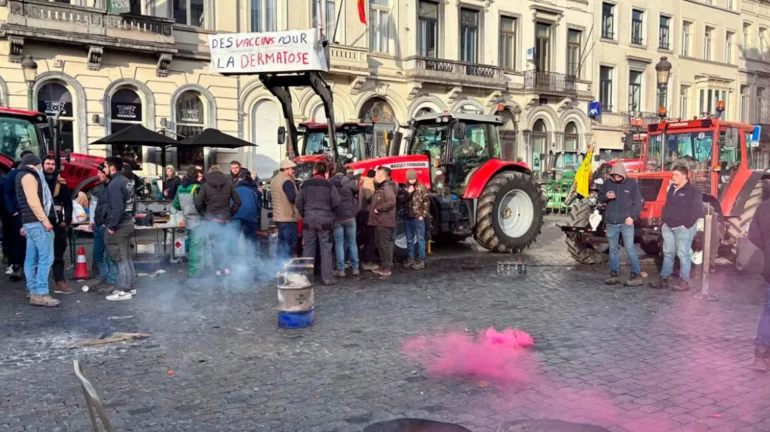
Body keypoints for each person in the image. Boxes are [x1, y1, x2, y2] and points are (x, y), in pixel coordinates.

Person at [650, 165, 703, 291]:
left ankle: (684, 282)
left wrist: (687, 225)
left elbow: (697, 210)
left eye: (676, 175)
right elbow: (667, 206)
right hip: (668, 226)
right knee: (668, 253)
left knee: (683, 254)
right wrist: (664, 222)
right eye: (672, 175)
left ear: (685, 176)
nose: (673, 177)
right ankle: (664, 279)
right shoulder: (672, 189)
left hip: (683, 227)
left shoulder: (694, 191)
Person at [15, 153, 58, 307]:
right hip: (37, 223)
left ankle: (32, 290)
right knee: (46, 259)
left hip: (28, 222)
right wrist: (45, 221)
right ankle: (41, 293)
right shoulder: (29, 177)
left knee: (31, 259)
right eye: (40, 164)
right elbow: (33, 202)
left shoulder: (20, 175)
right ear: (35, 164)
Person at [598, 163, 644, 286]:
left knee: (630, 248)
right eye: (614, 176)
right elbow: (600, 197)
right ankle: (614, 274)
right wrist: (606, 196)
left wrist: (632, 217)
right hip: (611, 223)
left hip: (626, 222)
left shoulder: (632, 183)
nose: (617, 178)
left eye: (619, 176)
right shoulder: (607, 183)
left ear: (623, 175)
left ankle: (636, 275)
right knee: (613, 249)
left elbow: (638, 202)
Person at [296, 162, 340, 285]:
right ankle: (327, 278)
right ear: (325, 172)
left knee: (308, 248)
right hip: (325, 219)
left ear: (314, 171)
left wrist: (305, 213)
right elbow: (336, 202)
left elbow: (298, 202)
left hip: (309, 219)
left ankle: (306, 278)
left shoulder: (305, 184)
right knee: (326, 248)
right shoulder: (329, 184)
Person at [195, 165, 242, 277]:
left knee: (215, 245)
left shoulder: (205, 186)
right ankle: (226, 267)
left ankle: (217, 269)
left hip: (212, 220)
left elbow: (197, 203)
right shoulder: (229, 184)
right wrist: (230, 213)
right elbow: (238, 202)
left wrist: (204, 214)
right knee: (226, 245)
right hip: (225, 219)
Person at [103, 157, 137, 301]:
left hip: (120, 225)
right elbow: (133, 202)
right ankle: (131, 286)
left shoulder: (114, 184)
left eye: (105, 166)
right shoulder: (127, 181)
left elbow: (117, 207)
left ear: (112, 168)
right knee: (126, 257)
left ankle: (123, 290)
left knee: (119, 258)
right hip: (128, 222)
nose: (103, 169)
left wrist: (111, 226)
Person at [42, 156, 75, 295]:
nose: (50, 166)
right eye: (47, 163)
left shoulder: (61, 182)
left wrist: (66, 220)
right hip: (40, 222)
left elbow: (68, 202)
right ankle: (38, 287)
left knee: (58, 254)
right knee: (39, 255)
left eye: (52, 164)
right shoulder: (37, 180)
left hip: (57, 224)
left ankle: (59, 282)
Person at [748, 181, 770, 371]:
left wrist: (767, 249)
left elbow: (752, 235)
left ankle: (761, 354)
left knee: (768, 311)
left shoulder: (763, 208)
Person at [4, 150, 34, 280]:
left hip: (31, 212)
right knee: (19, 240)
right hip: (19, 212)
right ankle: (17, 266)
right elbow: (7, 193)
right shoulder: (14, 174)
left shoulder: (35, 174)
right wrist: (13, 211)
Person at [89, 164, 117, 293]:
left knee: (110, 255)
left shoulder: (113, 187)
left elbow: (116, 208)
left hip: (107, 226)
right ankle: (105, 277)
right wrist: (93, 221)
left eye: (101, 172)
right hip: (99, 225)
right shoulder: (99, 189)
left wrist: (110, 223)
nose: (98, 175)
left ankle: (112, 281)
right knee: (97, 255)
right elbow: (97, 206)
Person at [173, 166, 203, 278]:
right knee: (196, 247)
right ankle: (194, 272)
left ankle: (194, 270)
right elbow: (201, 204)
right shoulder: (197, 187)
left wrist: (185, 208)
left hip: (187, 220)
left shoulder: (180, 187)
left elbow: (176, 204)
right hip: (198, 220)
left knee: (192, 245)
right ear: (196, 175)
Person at [330, 165, 359, 277]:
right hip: (350, 216)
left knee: (339, 243)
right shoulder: (349, 181)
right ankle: (355, 268)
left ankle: (341, 269)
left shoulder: (330, 183)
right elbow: (357, 190)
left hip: (337, 217)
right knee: (352, 241)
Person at [368, 167, 397, 277]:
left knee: (384, 244)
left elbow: (391, 201)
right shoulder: (382, 187)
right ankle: (384, 265)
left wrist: (379, 208)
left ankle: (387, 267)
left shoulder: (387, 187)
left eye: (376, 174)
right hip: (379, 221)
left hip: (384, 221)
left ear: (380, 175)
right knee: (379, 243)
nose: (375, 176)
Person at [400, 169, 430, 270]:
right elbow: (402, 200)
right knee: (409, 239)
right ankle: (411, 258)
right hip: (408, 216)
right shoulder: (405, 188)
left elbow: (426, 202)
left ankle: (421, 259)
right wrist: (408, 193)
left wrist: (423, 215)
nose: (412, 181)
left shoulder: (421, 187)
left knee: (420, 239)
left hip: (418, 217)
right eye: (410, 179)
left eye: (413, 179)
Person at [270, 159, 299, 259]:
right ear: (286, 169)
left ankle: (279, 268)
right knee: (289, 245)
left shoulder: (274, 180)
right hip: (288, 217)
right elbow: (293, 198)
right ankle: (288, 268)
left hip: (279, 217)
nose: (293, 171)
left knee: (281, 245)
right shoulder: (286, 181)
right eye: (292, 169)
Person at [232, 169, 262, 252]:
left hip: (236, 216)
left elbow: (231, 203)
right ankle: (253, 261)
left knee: (233, 239)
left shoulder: (235, 189)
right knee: (251, 240)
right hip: (250, 217)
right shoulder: (255, 191)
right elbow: (259, 206)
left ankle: (230, 261)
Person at [358, 169, 377, 270]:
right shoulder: (369, 183)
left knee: (363, 237)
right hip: (367, 214)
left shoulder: (364, 183)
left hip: (362, 214)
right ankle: (366, 261)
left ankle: (359, 257)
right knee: (370, 239)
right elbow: (370, 197)